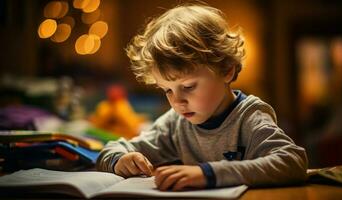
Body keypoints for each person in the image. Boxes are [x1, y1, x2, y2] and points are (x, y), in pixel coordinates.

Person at [96, 4, 308, 191]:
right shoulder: (175, 123)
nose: (177, 101)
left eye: (188, 86)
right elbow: (112, 149)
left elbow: (292, 162)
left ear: (226, 70)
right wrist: (120, 160)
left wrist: (208, 174)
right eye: (167, 90)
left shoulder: (249, 117)